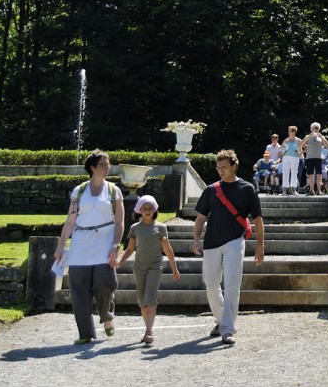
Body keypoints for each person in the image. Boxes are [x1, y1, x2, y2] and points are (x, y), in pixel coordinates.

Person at [192, 149, 264, 346]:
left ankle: (228, 329)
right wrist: (196, 239)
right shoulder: (210, 190)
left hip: (235, 241)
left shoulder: (247, 189)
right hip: (212, 243)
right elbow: (200, 218)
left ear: (234, 166)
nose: (220, 171)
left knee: (232, 285)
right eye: (218, 167)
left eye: (224, 167)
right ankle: (221, 319)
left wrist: (260, 246)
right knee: (212, 285)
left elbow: (257, 220)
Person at [54, 149, 124, 344]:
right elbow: (70, 221)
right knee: (79, 288)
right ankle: (85, 333)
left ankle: (106, 315)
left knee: (105, 283)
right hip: (80, 243)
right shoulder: (79, 191)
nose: (107, 167)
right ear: (92, 168)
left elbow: (119, 222)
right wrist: (61, 247)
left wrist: (116, 245)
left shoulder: (113, 190)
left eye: (108, 164)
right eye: (103, 164)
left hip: (105, 241)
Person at [117, 195, 179, 346]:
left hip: (155, 267)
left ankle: (149, 331)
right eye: (144, 208)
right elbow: (130, 248)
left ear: (154, 210)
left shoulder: (161, 228)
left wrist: (174, 268)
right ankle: (147, 327)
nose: (147, 211)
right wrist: (120, 261)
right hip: (139, 268)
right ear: (140, 210)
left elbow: (167, 249)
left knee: (150, 298)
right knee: (142, 300)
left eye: (150, 208)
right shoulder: (135, 228)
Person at [300, 122, 328, 196]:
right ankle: (312, 190)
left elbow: (326, 146)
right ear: (311, 128)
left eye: (317, 128)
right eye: (314, 128)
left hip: (318, 157)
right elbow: (301, 144)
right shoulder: (308, 136)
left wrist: (322, 137)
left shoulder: (321, 137)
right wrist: (306, 145)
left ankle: (319, 190)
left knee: (319, 174)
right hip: (309, 158)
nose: (316, 129)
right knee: (310, 175)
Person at [280, 125, 301, 196]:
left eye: (291, 131)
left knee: (294, 173)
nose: (290, 132)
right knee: (285, 173)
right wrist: (282, 153)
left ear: (294, 132)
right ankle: (284, 191)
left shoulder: (298, 140)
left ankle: (294, 190)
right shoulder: (286, 140)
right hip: (286, 157)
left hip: (295, 158)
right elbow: (281, 150)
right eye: (289, 131)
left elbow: (306, 147)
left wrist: (300, 153)